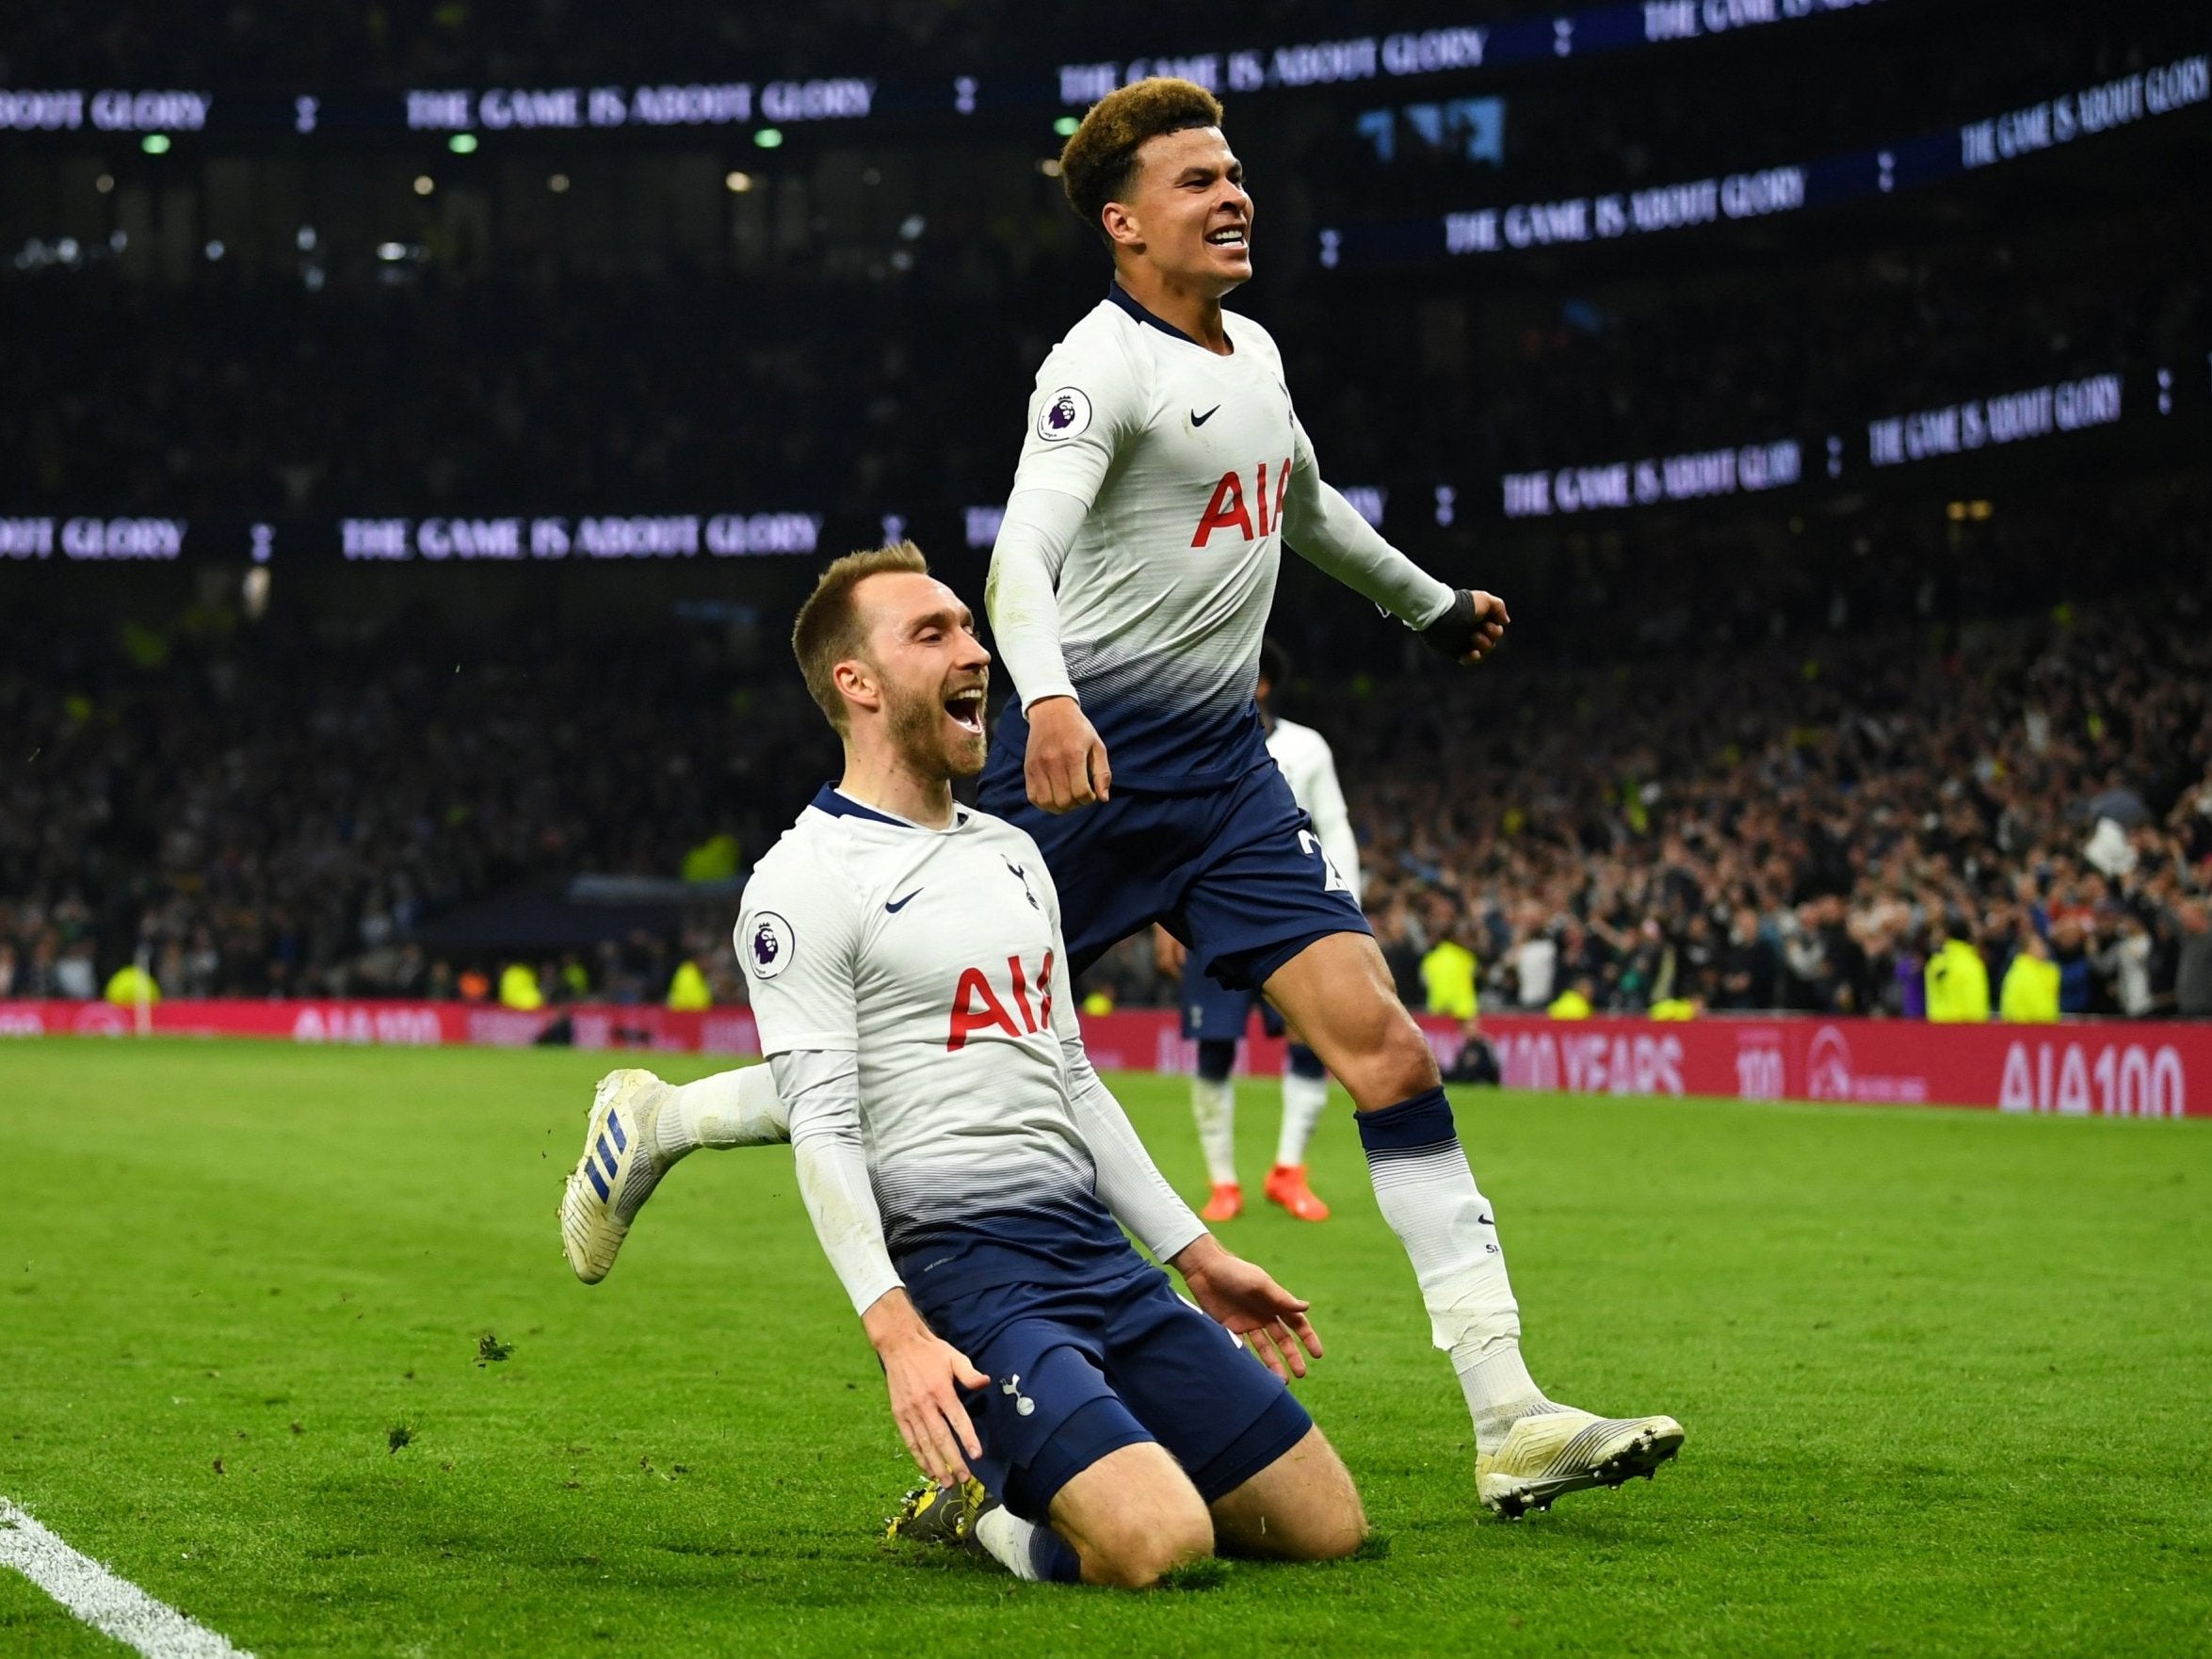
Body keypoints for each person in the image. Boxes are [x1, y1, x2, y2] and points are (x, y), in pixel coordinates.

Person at [564, 79, 1682, 1522]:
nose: (1234, 196)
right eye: (1198, 180)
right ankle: (660, 1120)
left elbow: (1304, 504)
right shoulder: (1095, 368)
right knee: (944, 1056)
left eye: (1236, 174)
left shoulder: (1259, 355)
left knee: (1388, 1053)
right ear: (1122, 220)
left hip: (1219, 774)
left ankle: (1507, 1409)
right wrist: (1047, 699)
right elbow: (1020, 555)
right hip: (1080, 772)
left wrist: (1425, 607)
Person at [628, 545, 1369, 1587]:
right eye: (934, 634)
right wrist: (897, 1335)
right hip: (972, 1282)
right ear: (858, 682)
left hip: (1097, 1256)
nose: (977, 650)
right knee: (1162, 1544)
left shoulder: (1014, 853)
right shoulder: (804, 880)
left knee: (1326, 1524)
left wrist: (1197, 1256)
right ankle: (989, 1511)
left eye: (972, 630)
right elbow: (826, 1127)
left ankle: (1079, 1457)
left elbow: (1070, 1076)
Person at [1153, 639, 1354, 1224]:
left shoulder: (1306, 748)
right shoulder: (1190, 745)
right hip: (1206, 920)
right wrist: (1161, 915)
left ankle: (1289, 1171)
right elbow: (1170, 835)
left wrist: (1348, 909)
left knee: (1307, 1038)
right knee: (1214, 1046)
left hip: (1293, 916)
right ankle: (1223, 1183)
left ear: (1262, 683)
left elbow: (1335, 828)